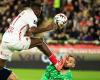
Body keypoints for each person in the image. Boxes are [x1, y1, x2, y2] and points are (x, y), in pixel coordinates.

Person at [0, 0, 66, 71]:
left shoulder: (25, 12)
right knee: (40, 42)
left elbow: (26, 31)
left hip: (5, 39)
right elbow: (33, 30)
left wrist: (28, 34)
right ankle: (57, 64)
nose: (40, 12)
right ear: (37, 10)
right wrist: (47, 28)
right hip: (15, 41)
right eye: (40, 10)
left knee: (1, 65)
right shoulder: (32, 15)